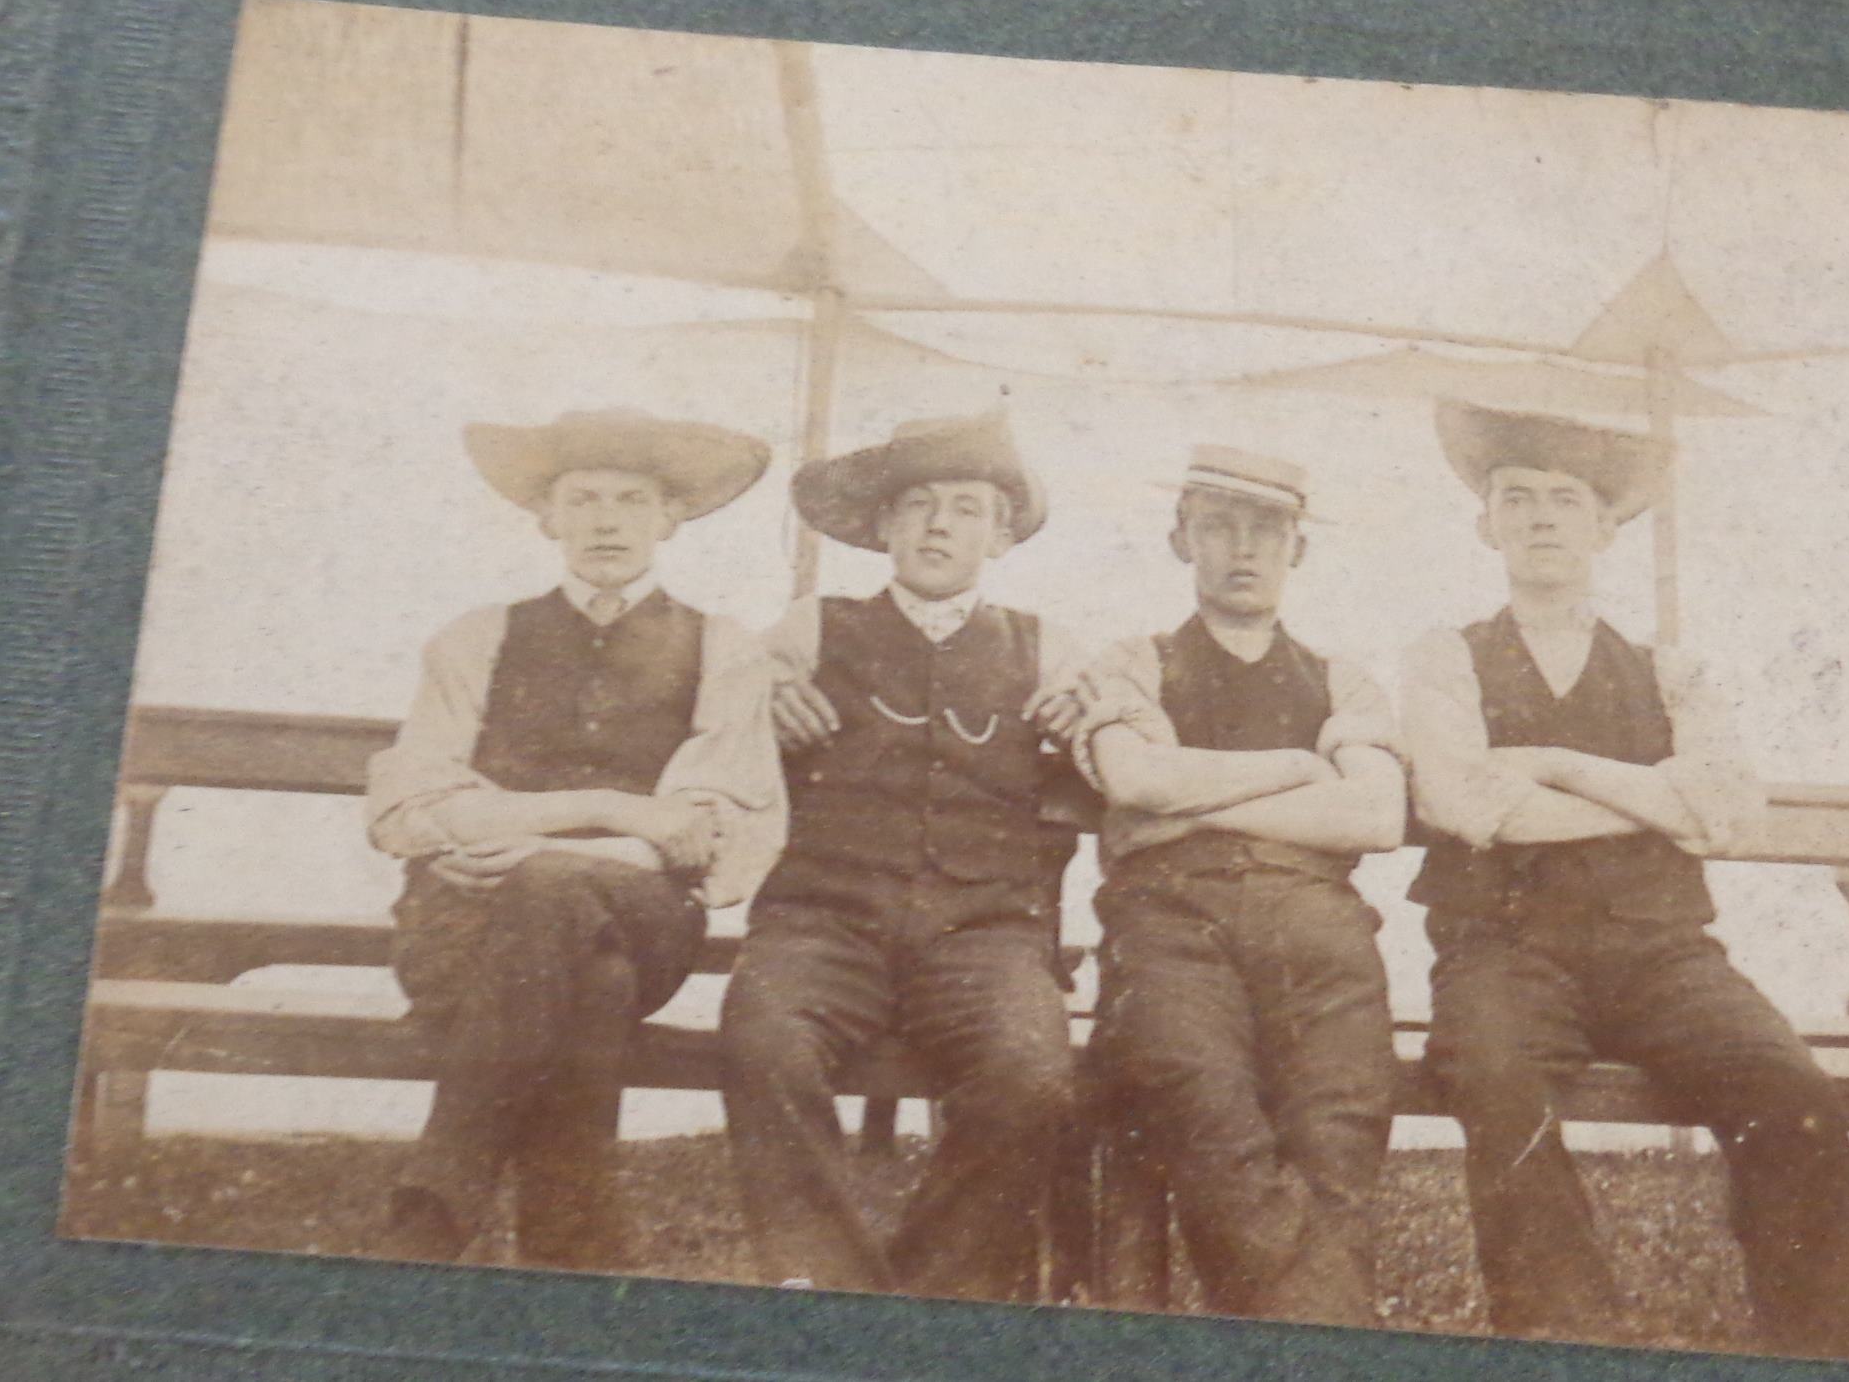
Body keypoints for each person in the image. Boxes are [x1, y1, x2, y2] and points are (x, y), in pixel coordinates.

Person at [1399, 400, 1849, 1354]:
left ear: (1604, 528)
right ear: (1485, 524)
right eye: (1516, 497)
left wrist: (1555, 764)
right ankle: (1566, 1336)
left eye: (1565, 499)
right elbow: (1467, 805)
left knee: (1793, 1093)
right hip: (1504, 952)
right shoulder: (1445, 655)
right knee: (1494, 1084)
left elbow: (1731, 807)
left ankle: (1818, 1349)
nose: (1539, 516)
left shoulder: (1669, 669)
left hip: (1663, 957)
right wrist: (1660, 798)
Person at [363, 408, 783, 1272]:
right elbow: (408, 810)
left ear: (669, 519)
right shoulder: (476, 638)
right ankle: (575, 1251)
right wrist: (618, 811)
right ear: (546, 517)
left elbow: (712, 835)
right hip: (462, 932)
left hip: (646, 917)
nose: (605, 520)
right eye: (581, 498)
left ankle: (436, 1208)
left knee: (553, 893)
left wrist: (535, 838)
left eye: (632, 500)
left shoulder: (724, 648)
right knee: (592, 981)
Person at [719, 409, 1092, 1302]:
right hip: (823, 921)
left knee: (1034, 1074)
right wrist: (761, 695)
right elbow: (722, 692)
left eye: (965, 508)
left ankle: (925, 1301)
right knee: (762, 1041)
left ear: (999, 536)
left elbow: (1110, 729)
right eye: (917, 504)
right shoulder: (814, 626)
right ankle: (830, 1296)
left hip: (982, 932)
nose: (936, 525)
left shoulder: (1048, 647)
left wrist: (1089, 716)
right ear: (883, 524)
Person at [1067, 446, 1405, 1323]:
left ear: (1301, 549)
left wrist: (1196, 803)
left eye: (1267, 529)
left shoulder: (1343, 678)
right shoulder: (1131, 660)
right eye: (1218, 525)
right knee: (1202, 1105)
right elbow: (1137, 784)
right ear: (1182, 539)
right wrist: (1300, 769)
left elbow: (1374, 816)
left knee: (1341, 1128)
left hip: (1318, 928)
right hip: (1171, 925)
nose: (1242, 548)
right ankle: (1342, 1343)